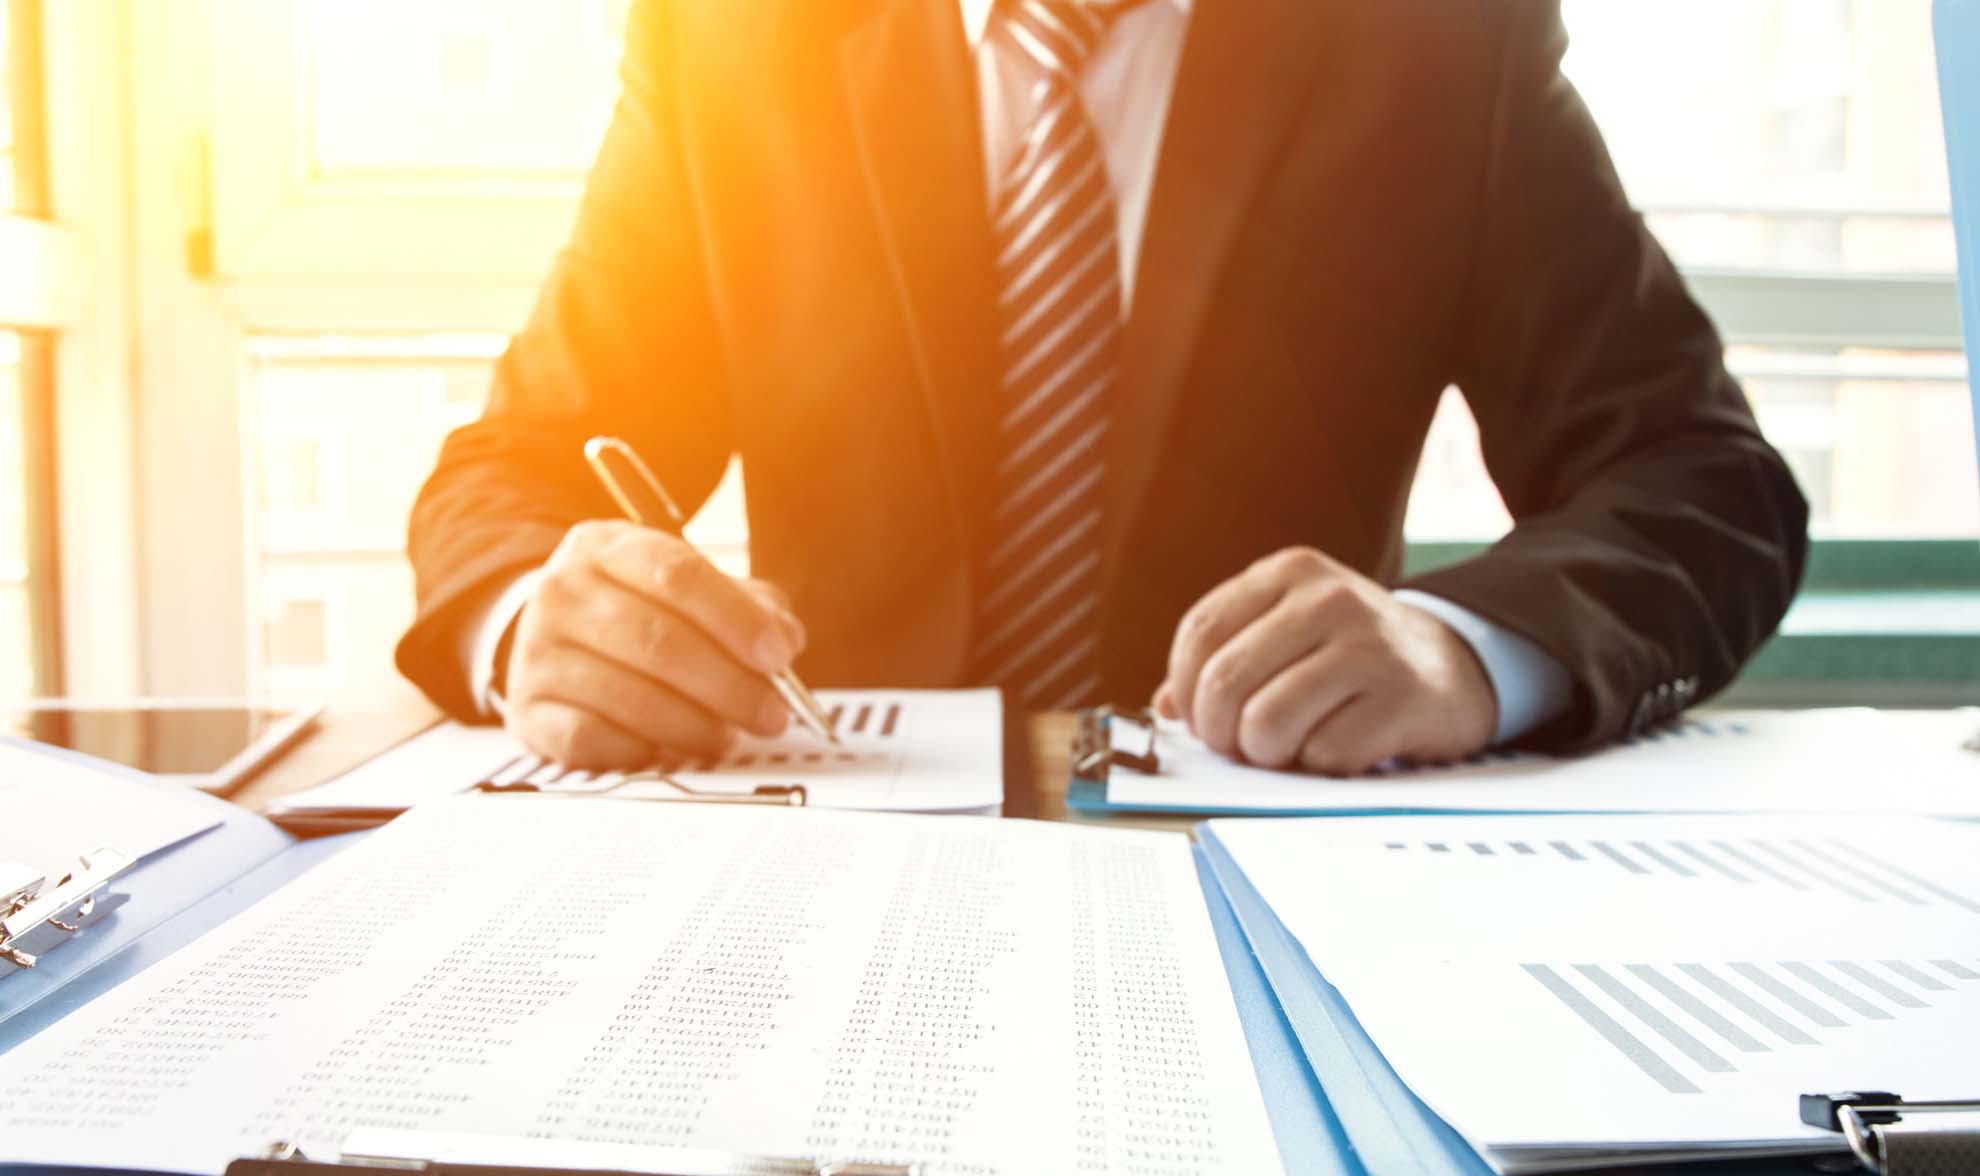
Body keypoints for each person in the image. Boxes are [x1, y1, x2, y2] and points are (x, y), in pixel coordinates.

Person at [395, 0, 1808, 775]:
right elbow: (515, 471)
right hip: (818, 851)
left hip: (1264, 866)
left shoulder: (1437, 42)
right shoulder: (734, 41)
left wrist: (1460, 650)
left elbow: (1706, 485)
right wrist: (535, 621)